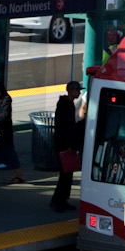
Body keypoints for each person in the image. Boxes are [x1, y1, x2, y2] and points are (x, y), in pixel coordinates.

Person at [49, 80, 85, 212]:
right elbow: (65, 129)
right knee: (65, 174)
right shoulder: (65, 106)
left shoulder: (67, 104)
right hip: (64, 146)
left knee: (67, 174)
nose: (79, 93)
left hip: (64, 144)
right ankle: (58, 200)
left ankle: (62, 199)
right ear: (71, 91)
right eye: (77, 90)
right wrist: (70, 144)